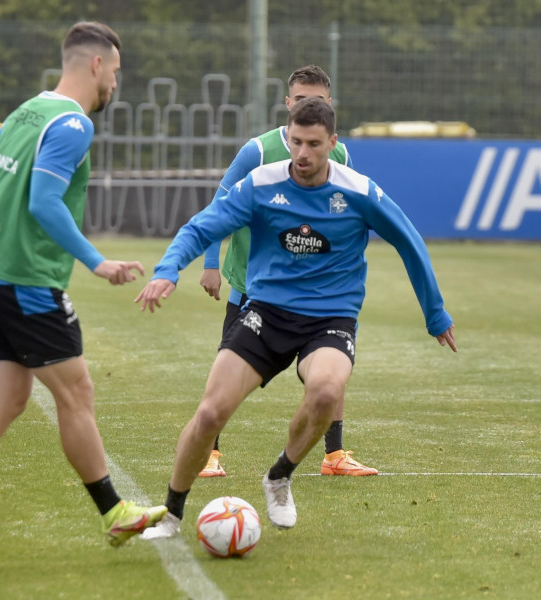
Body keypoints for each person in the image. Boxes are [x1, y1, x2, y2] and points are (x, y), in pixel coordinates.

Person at [135, 97, 456, 537]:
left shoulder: (358, 191)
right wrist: (168, 270)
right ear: (286, 136)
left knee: (326, 390)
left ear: (333, 143)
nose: (302, 154)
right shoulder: (260, 183)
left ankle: (280, 475)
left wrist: (434, 313)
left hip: (331, 319)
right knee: (211, 413)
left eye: (314, 144)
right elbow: (202, 226)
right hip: (266, 313)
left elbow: (409, 240)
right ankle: (172, 513)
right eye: (295, 141)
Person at [0, 21, 167, 569]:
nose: (114, 88)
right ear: (97, 65)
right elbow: (43, 202)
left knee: (7, 398)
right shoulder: (73, 124)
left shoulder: (26, 111)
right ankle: (114, 513)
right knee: (77, 393)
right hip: (27, 283)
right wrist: (97, 261)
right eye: (116, 75)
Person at [196, 65, 376, 479]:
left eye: (318, 100)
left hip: (315, 292)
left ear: (329, 107)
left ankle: (334, 455)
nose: (309, 105)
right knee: (228, 367)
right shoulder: (257, 151)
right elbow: (218, 206)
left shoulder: (340, 154)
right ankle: (210, 452)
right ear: (288, 104)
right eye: (301, 100)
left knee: (333, 368)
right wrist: (210, 263)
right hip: (253, 286)